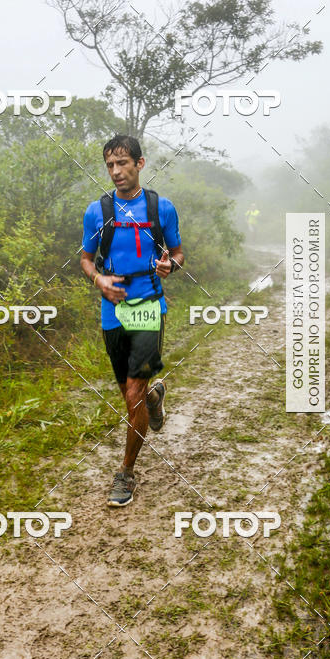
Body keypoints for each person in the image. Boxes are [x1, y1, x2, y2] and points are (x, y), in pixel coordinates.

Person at [81, 135, 184, 507]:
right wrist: (99, 279)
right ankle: (155, 399)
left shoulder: (161, 207)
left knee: (131, 394)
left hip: (150, 306)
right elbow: (86, 258)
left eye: (123, 163)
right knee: (131, 396)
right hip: (113, 311)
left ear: (140, 164)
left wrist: (170, 265)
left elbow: (177, 253)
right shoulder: (97, 212)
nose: (116, 172)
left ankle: (125, 473)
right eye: (110, 165)